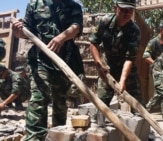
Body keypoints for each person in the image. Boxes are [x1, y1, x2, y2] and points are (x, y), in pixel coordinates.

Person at [12, 0, 84, 140]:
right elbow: (26, 32)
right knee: (39, 97)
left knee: (60, 102)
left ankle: (58, 135)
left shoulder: (73, 6)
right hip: (40, 60)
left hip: (64, 60)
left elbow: (77, 27)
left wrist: (61, 37)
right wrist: (18, 32)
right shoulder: (34, 4)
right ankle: (35, 137)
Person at [89, 0, 144, 110]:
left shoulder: (134, 30)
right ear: (115, 8)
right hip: (107, 68)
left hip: (127, 70)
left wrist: (122, 80)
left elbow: (130, 58)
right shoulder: (104, 22)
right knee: (101, 105)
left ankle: (139, 126)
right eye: (123, 10)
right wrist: (99, 65)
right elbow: (93, 43)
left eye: (130, 10)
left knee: (138, 105)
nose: (127, 13)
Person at [143, 20, 163, 111]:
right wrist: (155, 65)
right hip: (155, 72)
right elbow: (145, 56)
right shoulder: (153, 42)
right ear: (161, 30)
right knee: (155, 92)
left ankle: (162, 110)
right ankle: (147, 110)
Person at [0, 39, 30, 111]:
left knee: (15, 89)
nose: (0, 77)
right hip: (12, 91)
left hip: (22, 94)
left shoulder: (15, 76)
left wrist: (3, 103)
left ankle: (18, 103)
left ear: (4, 72)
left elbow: (16, 92)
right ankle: (9, 103)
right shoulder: (5, 77)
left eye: (0, 75)